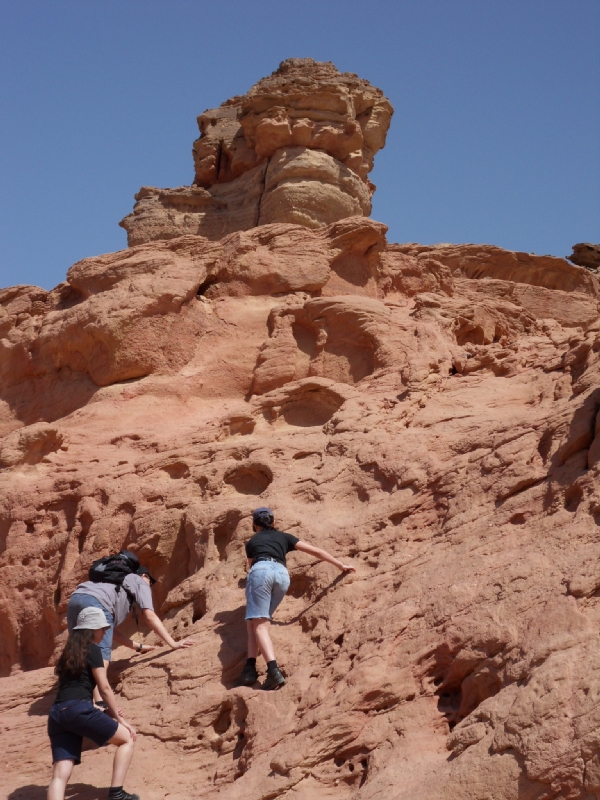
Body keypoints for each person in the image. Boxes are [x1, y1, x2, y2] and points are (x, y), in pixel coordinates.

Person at [238, 507, 356, 690]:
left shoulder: (252, 542)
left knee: (259, 625)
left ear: (255, 525)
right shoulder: (284, 537)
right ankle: (250, 668)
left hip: (261, 571)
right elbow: (315, 551)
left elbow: (252, 567)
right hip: (282, 576)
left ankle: (273, 671)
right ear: (274, 522)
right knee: (254, 621)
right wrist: (340, 565)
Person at [67, 556, 194, 701]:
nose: (149, 585)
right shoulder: (139, 581)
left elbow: (108, 630)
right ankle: (99, 702)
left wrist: (138, 647)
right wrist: (173, 643)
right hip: (97, 602)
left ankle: (84, 698)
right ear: (144, 575)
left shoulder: (111, 583)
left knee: (81, 650)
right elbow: (150, 616)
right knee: (101, 656)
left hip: (75, 599)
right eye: (150, 582)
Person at [47, 606, 139, 800]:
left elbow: (72, 689)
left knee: (61, 772)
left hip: (57, 713)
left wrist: (95, 707)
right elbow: (104, 687)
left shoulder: (68, 653)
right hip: (77, 709)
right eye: (102, 628)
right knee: (127, 739)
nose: (104, 632)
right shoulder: (93, 649)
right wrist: (120, 720)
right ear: (91, 629)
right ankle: (117, 793)